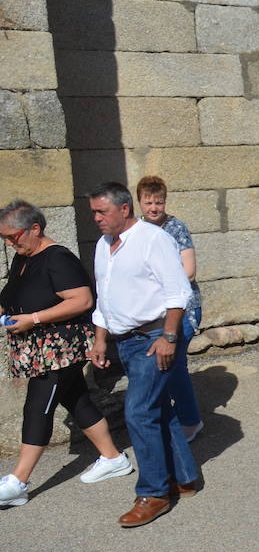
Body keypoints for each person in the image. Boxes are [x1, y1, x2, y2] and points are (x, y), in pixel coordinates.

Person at [0, 201, 132, 508]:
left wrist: (33, 319)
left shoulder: (57, 257)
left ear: (35, 228)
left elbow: (83, 300)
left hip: (61, 347)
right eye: (3, 238)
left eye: (12, 236)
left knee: (38, 406)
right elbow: (12, 297)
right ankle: (114, 458)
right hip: (41, 348)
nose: (8, 243)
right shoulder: (24, 258)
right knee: (76, 399)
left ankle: (19, 481)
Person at [86, 182, 199, 528]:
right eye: (93, 212)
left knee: (138, 411)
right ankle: (183, 477)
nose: (96, 219)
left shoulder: (153, 238)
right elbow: (105, 298)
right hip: (125, 340)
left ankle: (154, 492)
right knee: (157, 408)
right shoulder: (104, 245)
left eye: (101, 211)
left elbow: (178, 291)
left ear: (123, 209)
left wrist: (169, 336)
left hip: (154, 337)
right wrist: (100, 339)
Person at [136, 176, 204, 441]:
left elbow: (188, 271)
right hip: (152, 309)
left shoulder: (175, 228)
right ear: (139, 202)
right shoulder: (137, 229)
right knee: (158, 365)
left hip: (183, 308)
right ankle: (165, 416)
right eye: (148, 202)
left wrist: (155, 286)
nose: (154, 208)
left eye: (159, 202)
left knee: (174, 365)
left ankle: (190, 420)